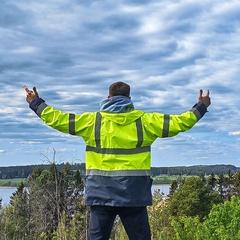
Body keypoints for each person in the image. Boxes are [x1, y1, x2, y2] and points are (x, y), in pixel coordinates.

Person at [24, 82, 211, 240]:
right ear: (129, 99)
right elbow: (181, 122)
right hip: (134, 196)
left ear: (108, 97)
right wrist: (201, 106)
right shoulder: (146, 121)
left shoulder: (92, 121)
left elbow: (59, 119)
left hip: (101, 196)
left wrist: (36, 103)